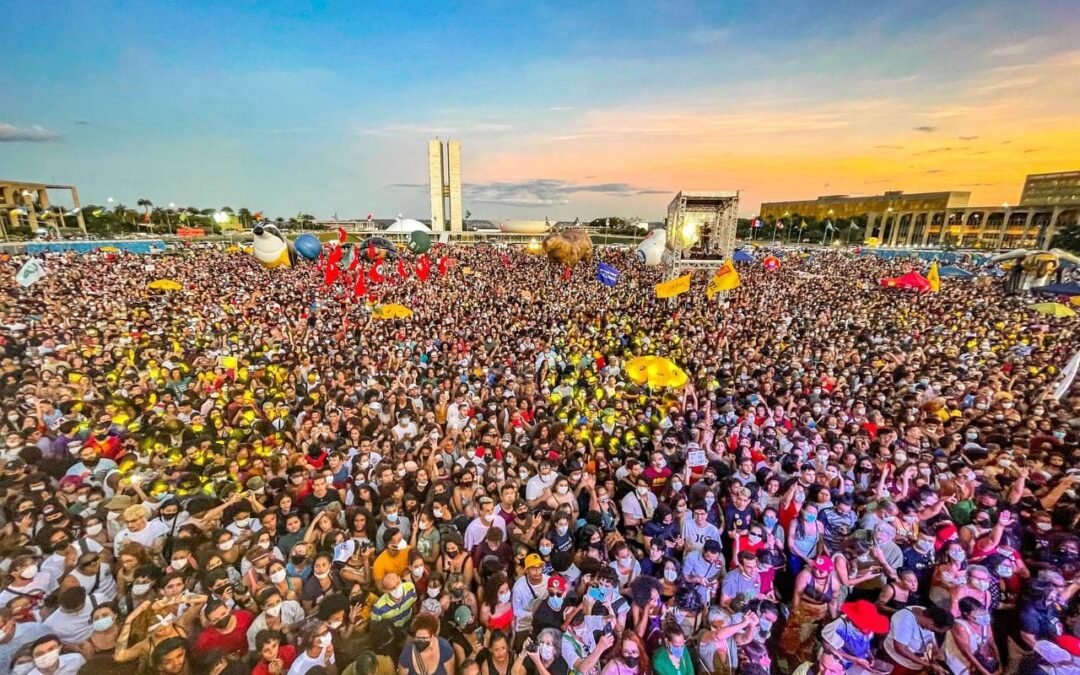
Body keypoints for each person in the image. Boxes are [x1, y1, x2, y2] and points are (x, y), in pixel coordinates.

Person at [882, 604, 955, 674]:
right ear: (932, 622)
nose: (934, 632)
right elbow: (900, 648)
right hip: (897, 662)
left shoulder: (926, 615)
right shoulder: (906, 619)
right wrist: (928, 665)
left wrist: (935, 650)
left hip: (914, 665)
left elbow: (930, 636)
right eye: (935, 630)